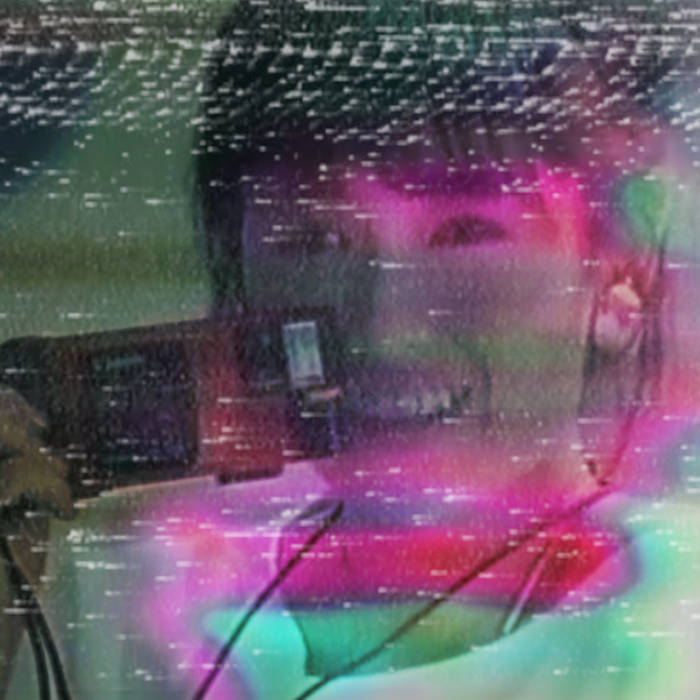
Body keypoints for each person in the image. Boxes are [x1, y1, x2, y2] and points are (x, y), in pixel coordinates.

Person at [2, 1, 700, 698]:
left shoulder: (670, 624)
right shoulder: (133, 601)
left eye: (464, 233)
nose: (384, 329)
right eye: (313, 240)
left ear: (622, 280)